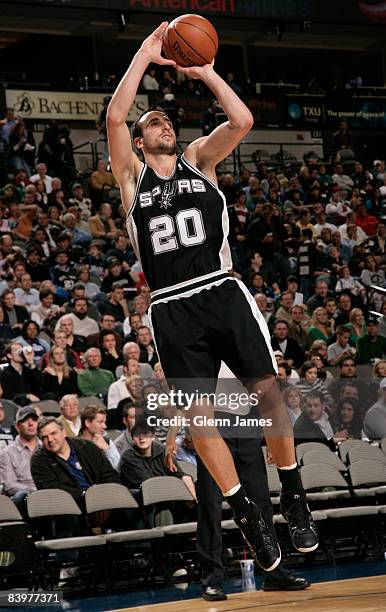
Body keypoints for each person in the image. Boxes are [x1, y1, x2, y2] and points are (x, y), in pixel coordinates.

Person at [107, 22, 318, 570]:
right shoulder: (131, 178)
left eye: (166, 119)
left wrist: (204, 71)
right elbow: (113, 116)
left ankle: (292, 495)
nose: (163, 123)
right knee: (200, 420)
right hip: (172, 304)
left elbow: (243, 120)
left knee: (269, 394)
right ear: (138, 141)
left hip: (222, 290)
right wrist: (144, 55)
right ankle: (247, 514)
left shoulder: (201, 160)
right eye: (153, 122)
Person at [0, 405, 40, 512]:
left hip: (51, 493)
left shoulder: (47, 448)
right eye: (25, 420)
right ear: (17, 426)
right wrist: (36, 491)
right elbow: (9, 485)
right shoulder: (6, 453)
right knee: (21, 496)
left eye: (34, 420)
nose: (31, 424)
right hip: (26, 498)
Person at [80, 405, 120, 469]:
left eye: (104, 422)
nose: (105, 426)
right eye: (100, 422)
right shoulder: (75, 444)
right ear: (87, 423)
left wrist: (107, 450)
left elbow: (119, 468)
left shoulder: (107, 442)